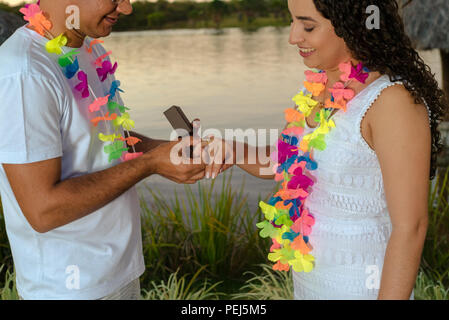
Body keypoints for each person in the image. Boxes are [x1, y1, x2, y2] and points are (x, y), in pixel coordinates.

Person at [208, 0, 447, 299]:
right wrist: (233, 150)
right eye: (292, 22)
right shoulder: (317, 90)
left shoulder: (392, 102)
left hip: (362, 287)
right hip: (311, 284)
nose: (293, 36)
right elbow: (290, 164)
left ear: (352, 26)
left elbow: (411, 227)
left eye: (308, 26)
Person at [0, 0, 207, 300]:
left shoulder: (88, 49)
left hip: (118, 274)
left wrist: (170, 152)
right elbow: (43, 209)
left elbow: (105, 137)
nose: (126, 8)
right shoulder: (24, 73)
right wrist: (150, 164)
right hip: (69, 289)